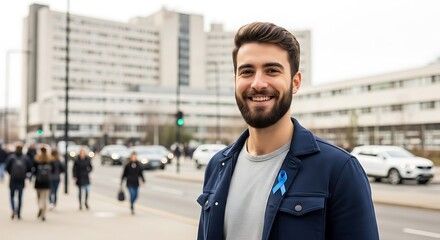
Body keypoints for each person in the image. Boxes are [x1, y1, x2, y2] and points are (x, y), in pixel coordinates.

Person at [197, 22, 379, 240]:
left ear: (295, 82)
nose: (257, 83)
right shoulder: (217, 165)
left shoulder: (339, 171)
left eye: (272, 70)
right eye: (246, 71)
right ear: (235, 80)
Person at [5, 142, 32, 220]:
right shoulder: (25, 158)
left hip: (13, 179)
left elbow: (7, 168)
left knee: (12, 196)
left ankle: (13, 209)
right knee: (20, 197)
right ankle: (19, 212)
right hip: (21, 180)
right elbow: (29, 168)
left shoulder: (11, 157)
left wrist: (11, 173)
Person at [33, 147, 53, 221]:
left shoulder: (37, 159)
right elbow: (53, 170)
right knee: (45, 198)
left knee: (39, 197)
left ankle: (40, 207)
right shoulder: (50, 160)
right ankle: (43, 213)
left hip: (38, 182)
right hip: (47, 182)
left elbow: (33, 171)